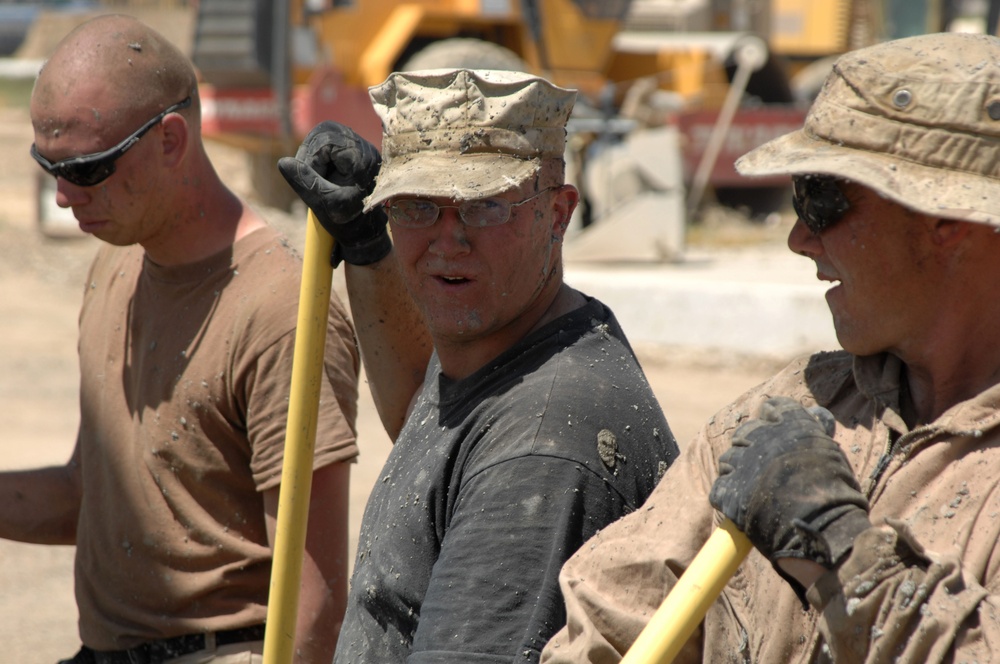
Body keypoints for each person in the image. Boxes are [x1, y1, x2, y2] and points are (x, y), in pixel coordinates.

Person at [540, 30, 1000, 663]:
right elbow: (607, 616)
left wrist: (845, 551)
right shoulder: (790, 411)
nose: (798, 240)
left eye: (823, 198)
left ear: (948, 218)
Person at [278, 67, 680, 662]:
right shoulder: (508, 343)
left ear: (559, 213)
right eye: (416, 206)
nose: (448, 239)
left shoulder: (541, 450)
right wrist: (368, 246)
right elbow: (433, 426)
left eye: (483, 207)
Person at [2, 15, 361, 664]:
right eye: (49, 167)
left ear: (170, 140)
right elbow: (92, 495)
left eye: (87, 170)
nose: (61, 198)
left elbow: (313, 602)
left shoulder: (281, 304)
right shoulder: (116, 264)